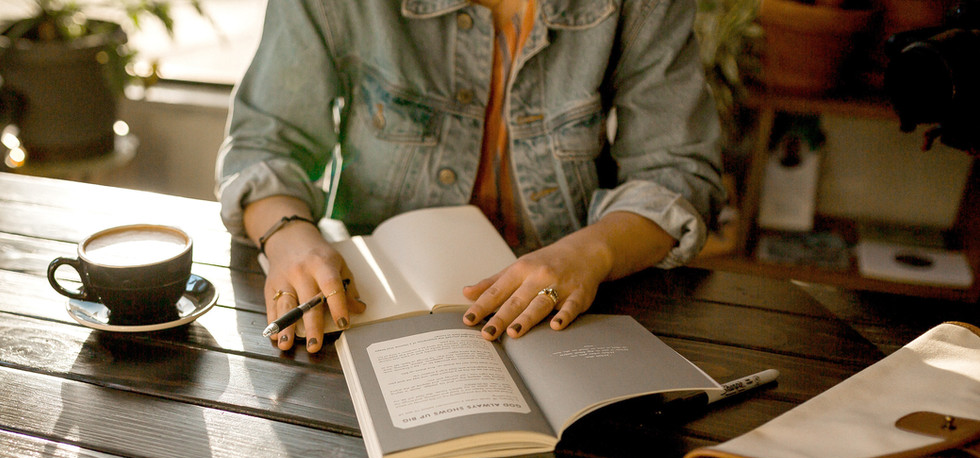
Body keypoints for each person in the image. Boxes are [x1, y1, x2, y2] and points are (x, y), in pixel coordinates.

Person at [217, 0, 725, 353]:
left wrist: (590, 253)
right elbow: (267, 139)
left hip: (570, 313)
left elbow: (676, 172)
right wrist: (291, 240)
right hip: (373, 306)